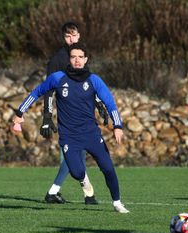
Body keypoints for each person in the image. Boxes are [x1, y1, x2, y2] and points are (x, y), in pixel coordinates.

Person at [14, 42, 129, 213]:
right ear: (69, 59)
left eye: (80, 57)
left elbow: (110, 103)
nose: (77, 60)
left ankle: (117, 202)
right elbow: (36, 93)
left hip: (91, 134)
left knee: (108, 169)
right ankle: (85, 183)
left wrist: (117, 125)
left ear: (85, 59)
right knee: (76, 172)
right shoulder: (57, 78)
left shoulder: (94, 80)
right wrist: (20, 112)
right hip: (69, 136)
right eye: (73, 57)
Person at [40, 22, 109, 205]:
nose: (71, 39)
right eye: (67, 36)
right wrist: (47, 117)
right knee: (73, 157)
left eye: (74, 35)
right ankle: (85, 195)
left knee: (77, 157)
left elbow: (88, 87)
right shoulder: (58, 60)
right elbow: (48, 91)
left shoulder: (81, 56)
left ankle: (60, 193)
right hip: (66, 115)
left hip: (83, 113)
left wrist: (100, 105)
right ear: (63, 38)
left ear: (79, 36)